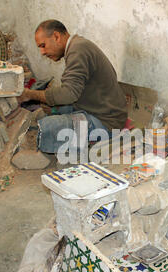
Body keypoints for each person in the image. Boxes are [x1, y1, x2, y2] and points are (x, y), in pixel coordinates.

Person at [17, 19, 127, 168]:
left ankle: (47, 157)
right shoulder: (77, 47)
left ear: (56, 36)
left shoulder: (78, 50)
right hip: (96, 108)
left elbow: (69, 94)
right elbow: (73, 92)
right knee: (45, 113)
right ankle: (64, 149)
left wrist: (30, 94)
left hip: (107, 121)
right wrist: (56, 107)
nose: (42, 52)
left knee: (50, 125)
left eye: (43, 46)